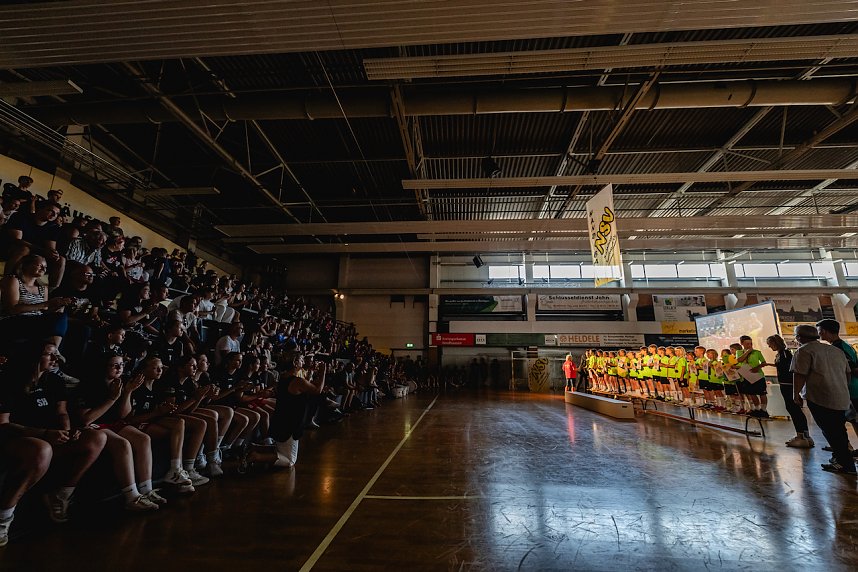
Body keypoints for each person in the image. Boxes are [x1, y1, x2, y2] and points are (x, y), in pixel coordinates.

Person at [1, 343, 107, 523]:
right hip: (17, 439)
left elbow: (61, 412)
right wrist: (44, 433)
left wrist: (66, 431)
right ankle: (5, 515)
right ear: (33, 357)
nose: (55, 359)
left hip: (49, 435)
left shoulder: (54, 380)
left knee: (97, 437)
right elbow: (3, 424)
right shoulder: (9, 381)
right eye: (49, 354)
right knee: (42, 449)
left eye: (56, 355)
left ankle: (61, 494)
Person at [73, 354, 162, 511]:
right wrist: (112, 398)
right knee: (123, 444)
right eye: (114, 365)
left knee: (143, 439)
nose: (119, 368)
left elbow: (124, 416)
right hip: (95, 426)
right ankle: (132, 497)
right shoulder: (87, 385)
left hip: (113, 423)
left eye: (121, 364)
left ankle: (147, 490)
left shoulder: (121, 382)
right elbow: (86, 420)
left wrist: (127, 392)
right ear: (104, 367)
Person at [790, 324, 855, 475]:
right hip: (840, 396)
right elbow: (848, 374)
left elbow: (799, 374)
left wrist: (796, 394)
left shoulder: (803, 351)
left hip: (820, 397)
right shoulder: (835, 350)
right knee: (839, 429)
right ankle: (841, 459)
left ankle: (844, 463)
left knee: (830, 431)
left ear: (800, 337)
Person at [266, 354, 327, 468]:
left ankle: (256, 448)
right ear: (295, 363)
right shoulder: (297, 381)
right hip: (290, 423)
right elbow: (317, 390)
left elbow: (306, 384)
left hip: (281, 418)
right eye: (301, 360)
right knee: (290, 460)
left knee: (281, 449)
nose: (303, 362)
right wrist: (323, 372)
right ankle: (255, 456)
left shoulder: (284, 377)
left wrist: (311, 372)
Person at [765, 335, 813, 448]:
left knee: (794, 409)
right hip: (784, 385)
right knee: (792, 409)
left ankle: (802, 435)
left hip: (788, 385)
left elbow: (790, 369)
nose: (769, 346)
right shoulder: (781, 354)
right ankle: (802, 434)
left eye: (770, 344)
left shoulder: (785, 354)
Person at [736, 335, 768, 417]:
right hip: (747, 376)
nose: (749, 345)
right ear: (742, 343)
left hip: (758, 375)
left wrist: (757, 367)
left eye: (750, 343)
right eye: (747, 344)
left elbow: (763, 362)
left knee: (762, 393)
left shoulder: (757, 352)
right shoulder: (739, 352)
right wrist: (747, 352)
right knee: (752, 393)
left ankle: (764, 410)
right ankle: (757, 409)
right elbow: (739, 360)